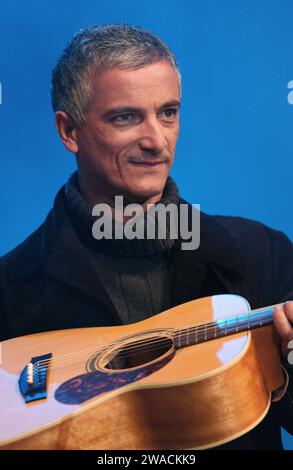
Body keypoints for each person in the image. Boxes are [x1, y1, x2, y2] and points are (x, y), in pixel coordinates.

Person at [0, 24, 292, 450]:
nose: (157, 141)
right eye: (126, 117)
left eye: (168, 113)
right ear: (69, 131)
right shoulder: (9, 289)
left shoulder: (260, 252)